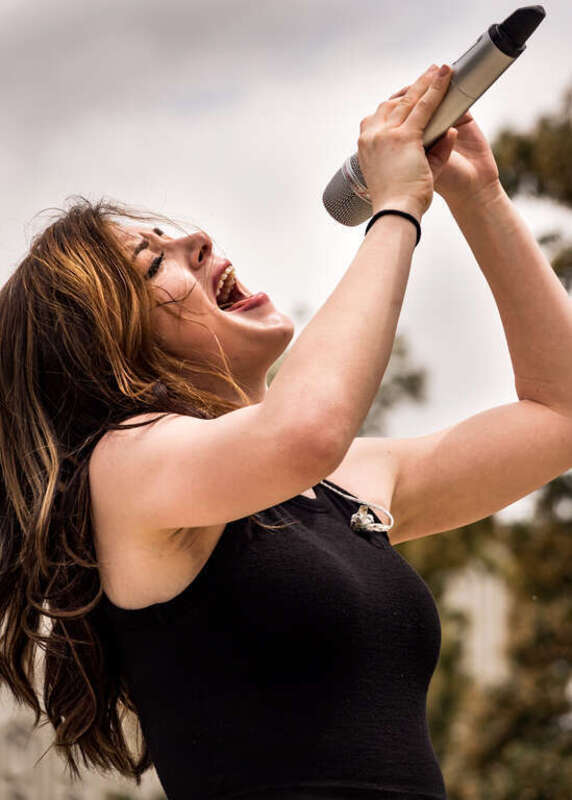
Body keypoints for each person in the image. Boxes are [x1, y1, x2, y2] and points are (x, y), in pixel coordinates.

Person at [1, 62, 571, 800]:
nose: (198, 239)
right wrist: (396, 208)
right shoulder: (125, 472)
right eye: (153, 262)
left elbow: (557, 416)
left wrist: (477, 194)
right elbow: (304, 431)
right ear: (110, 348)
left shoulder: (340, 486)